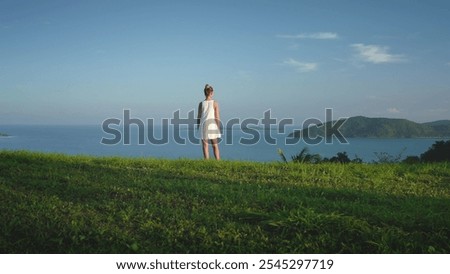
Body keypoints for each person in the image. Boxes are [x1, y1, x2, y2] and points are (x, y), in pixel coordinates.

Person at [197, 84, 221, 160]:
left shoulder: (201, 104)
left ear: (205, 93)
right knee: (215, 145)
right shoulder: (215, 103)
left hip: (203, 125)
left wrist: (198, 126)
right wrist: (218, 127)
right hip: (212, 125)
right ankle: (218, 161)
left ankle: (206, 162)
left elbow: (199, 117)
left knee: (205, 145)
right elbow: (217, 117)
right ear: (211, 93)